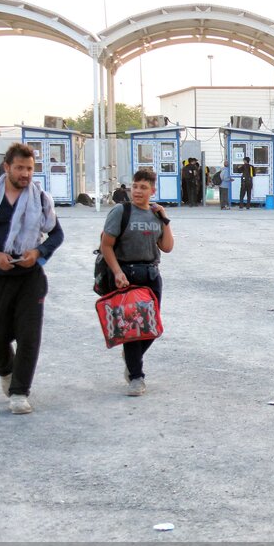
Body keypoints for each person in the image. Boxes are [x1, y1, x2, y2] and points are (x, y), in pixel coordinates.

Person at [0, 143, 65, 415]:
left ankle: (20, 392)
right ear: (6, 167)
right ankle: (5, 369)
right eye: (19, 168)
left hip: (30, 277)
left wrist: (38, 252)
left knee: (29, 336)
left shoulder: (41, 199)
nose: (25, 174)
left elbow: (56, 235)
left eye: (30, 168)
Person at [99, 167, 174, 396]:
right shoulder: (121, 211)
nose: (138, 191)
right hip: (126, 276)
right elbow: (106, 245)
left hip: (151, 275)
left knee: (151, 327)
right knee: (133, 328)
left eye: (143, 187)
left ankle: (132, 358)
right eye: (135, 186)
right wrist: (117, 272)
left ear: (153, 190)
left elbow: (167, 247)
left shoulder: (155, 215)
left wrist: (166, 220)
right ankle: (136, 377)